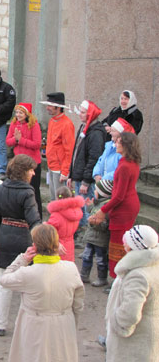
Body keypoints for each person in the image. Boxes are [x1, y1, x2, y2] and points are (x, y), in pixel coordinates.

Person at [1, 224, 84, 362]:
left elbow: (5, 279)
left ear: (35, 245)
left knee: (33, 356)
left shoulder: (28, 273)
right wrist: (72, 322)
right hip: (63, 323)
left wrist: (23, 259)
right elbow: (78, 303)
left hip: (35, 325)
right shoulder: (71, 269)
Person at [0, 154, 41, 336]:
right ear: (23, 171)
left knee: (4, 282)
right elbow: (34, 219)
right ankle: (26, 325)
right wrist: (41, 240)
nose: (34, 173)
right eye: (31, 170)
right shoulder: (27, 192)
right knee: (26, 284)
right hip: (23, 239)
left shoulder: (1, 189)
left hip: (4, 236)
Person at [89, 132, 141, 279]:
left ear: (125, 145)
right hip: (130, 204)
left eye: (118, 142)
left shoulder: (125, 166)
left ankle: (117, 278)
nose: (115, 144)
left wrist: (102, 211)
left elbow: (119, 195)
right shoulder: (132, 162)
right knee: (123, 242)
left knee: (118, 245)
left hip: (124, 208)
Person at [105, 225, 159, 362]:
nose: (124, 244)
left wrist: (117, 324)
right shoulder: (152, 265)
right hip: (150, 333)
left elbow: (130, 314)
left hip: (135, 340)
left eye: (126, 242)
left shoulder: (138, 275)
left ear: (131, 246)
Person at [67, 100, 106, 230]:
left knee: (87, 209)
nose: (80, 114)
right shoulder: (84, 127)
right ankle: (80, 233)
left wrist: (86, 180)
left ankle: (87, 236)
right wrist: (71, 174)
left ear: (90, 114)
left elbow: (94, 158)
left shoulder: (95, 133)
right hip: (79, 175)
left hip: (85, 179)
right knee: (80, 208)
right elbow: (76, 153)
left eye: (83, 112)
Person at [6, 102, 43, 217]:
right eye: (17, 112)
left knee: (33, 191)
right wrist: (16, 140)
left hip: (32, 163)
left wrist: (21, 140)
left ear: (27, 114)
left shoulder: (34, 125)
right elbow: (8, 141)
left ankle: (38, 216)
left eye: (21, 112)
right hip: (18, 163)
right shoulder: (14, 124)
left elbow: (37, 144)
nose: (18, 115)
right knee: (18, 190)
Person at [40, 92, 75, 200]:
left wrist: (65, 171)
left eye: (50, 105)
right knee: (53, 197)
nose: (47, 108)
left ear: (58, 107)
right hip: (51, 166)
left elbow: (69, 150)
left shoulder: (66, 124)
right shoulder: (52, 121)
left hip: (59, 169)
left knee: (60, 198)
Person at [81, 179, 112, 287]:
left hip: (100, 240)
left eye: (96, 190)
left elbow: (104, 226)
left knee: (101, 260)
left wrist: (94, 223)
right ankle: (84, 275)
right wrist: (89, 206)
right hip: (91, 238)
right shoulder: (98, 203)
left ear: (102, 193)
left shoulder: (106, 208)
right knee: (86, 256)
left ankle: (102, 278)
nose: (94, 191)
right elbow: (93, 211)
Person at [46, 186, 84, 262]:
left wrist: (44, 225)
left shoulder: (56, 215)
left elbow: (49, 231)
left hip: (58, 246)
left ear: (57, 198)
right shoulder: (77, 212)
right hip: (70, 244)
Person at [93, 117, 135, 182]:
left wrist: (104, 178)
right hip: (104, 185)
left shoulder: (124, 151)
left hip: (113, 184)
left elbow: (120, 171)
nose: (110, 133)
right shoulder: (108, 145)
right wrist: (96, 174)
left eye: (113, 131)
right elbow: (100, 160)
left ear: (121, 134)